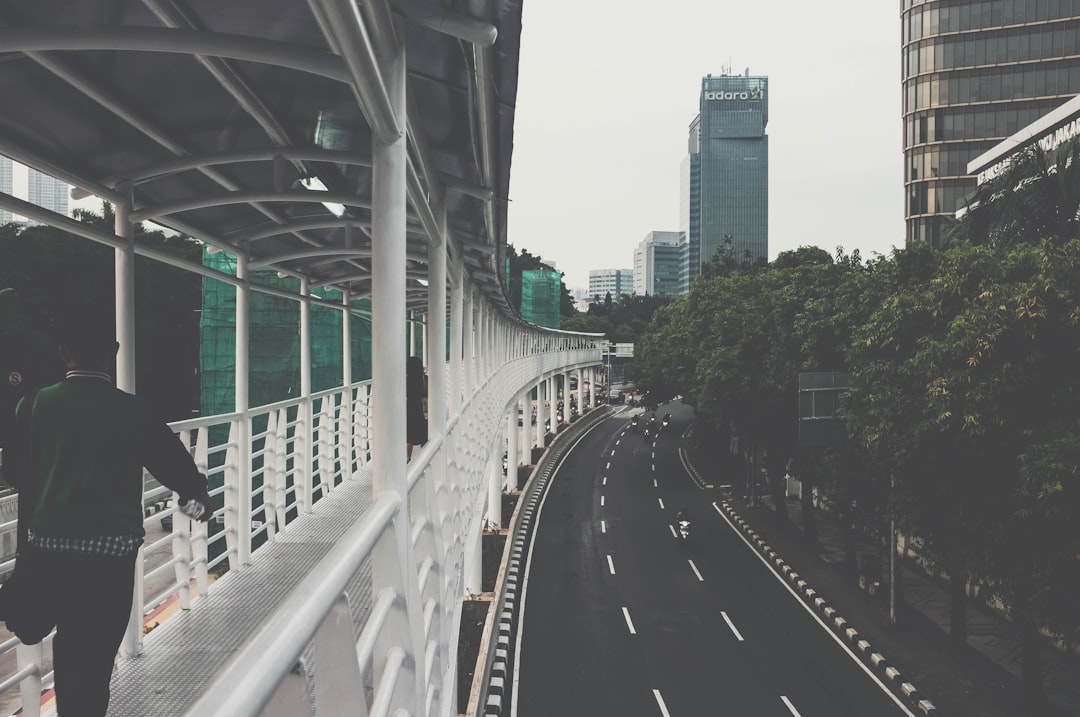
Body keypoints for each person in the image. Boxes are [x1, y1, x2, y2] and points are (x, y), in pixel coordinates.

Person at [4, 308, 212, 717]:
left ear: (64, 354)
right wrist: (197, 502)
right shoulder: (132, 410)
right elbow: (173, 469)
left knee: (66, 649)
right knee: (93, 658)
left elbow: (15, 472)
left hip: (48, 552)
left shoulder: (32, 406)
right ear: (113, 352)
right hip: (108, 556)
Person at [406, 355, 428, 461]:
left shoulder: (406, 380)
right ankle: (424, 457)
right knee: (424, 431)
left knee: (409, 434)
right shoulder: (424, 378)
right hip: (421, 407)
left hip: (409, 407)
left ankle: (408, 457)